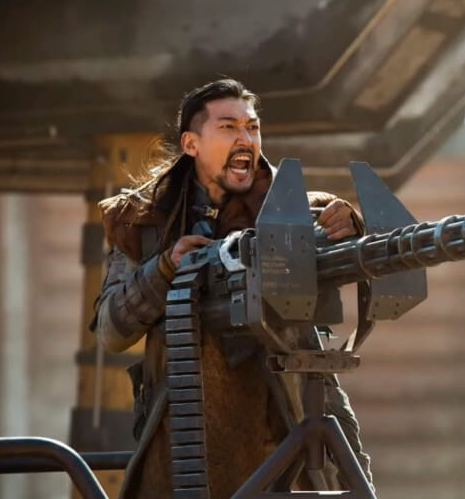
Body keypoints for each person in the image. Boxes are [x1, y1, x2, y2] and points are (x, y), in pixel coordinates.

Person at [92, 78, 372, 497]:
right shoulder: (143, 221)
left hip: (291, 424)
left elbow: (350, 270)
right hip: (184, 438)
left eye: (252, 127)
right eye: (228, 127)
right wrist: (166, 268)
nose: (245, 138)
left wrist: (349, 231)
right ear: (191, 144)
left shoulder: (295, 211)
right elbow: (111, 330)